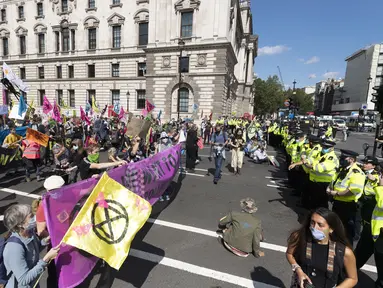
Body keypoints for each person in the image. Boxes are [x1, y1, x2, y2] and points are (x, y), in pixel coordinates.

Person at [286, 207, 358, 288]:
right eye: (312, 222)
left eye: (320, 225)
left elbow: (352, 278)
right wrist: (298, 270)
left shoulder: (343, 252)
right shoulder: (299, 237)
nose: (314, 227)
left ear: (331, 229)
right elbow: (289, 254)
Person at [3, 204, 60, 288]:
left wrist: (44, 241)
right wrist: (46, 259)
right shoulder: (14, 248)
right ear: (20, 224)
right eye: (31, 216)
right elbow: (23, 280)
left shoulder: (30, 232)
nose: (35, 218)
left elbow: (32, 252)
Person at [327, 149, 365, 245]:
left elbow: (352, 191)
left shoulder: (357, 173)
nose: (341, 160)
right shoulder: (343, 169)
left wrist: (335, 193)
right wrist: (329, 188)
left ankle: (346, 252)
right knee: (335, 227)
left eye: (344, 158)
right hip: (337, 203)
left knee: (347, 232)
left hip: (348, 205)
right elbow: (334, 181)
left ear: (351, 160)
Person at [305, 139, 339, 209]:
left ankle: (321, 217)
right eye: (323, 147)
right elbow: (313, 160)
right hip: (315, 180)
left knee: (321, 203)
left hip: (324, 183)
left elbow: (319, 168)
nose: (324, 149)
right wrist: (307, 162)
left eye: (326, 147)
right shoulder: (322, 154)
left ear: (332, 148)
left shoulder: (331, 157)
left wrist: (308, 165)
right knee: (314, 201)